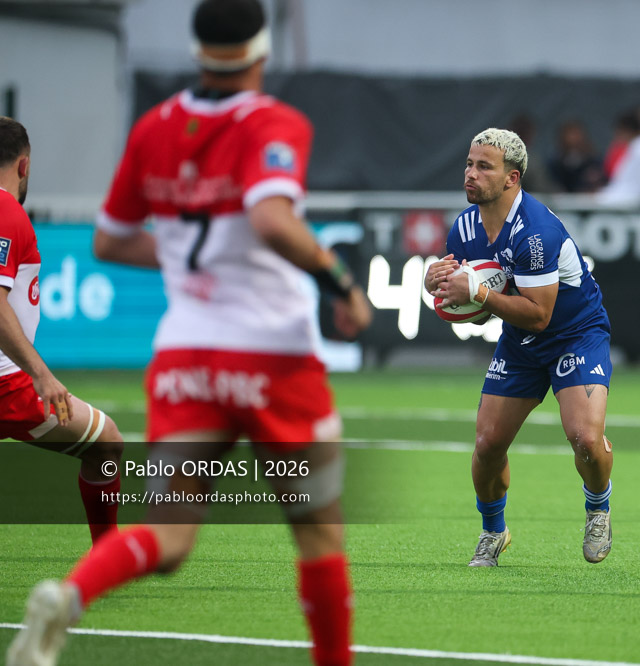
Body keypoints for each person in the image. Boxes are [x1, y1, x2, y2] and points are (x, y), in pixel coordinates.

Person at [7, 2, 372, 666]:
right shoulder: (274, 121)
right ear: (260, 51)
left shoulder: (155, 128)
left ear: (197, 49)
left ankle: (69, 595)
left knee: (169, 537)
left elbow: (110, 241)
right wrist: (339, 282)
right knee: (319, 533)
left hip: (186, 359)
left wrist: (179, 254)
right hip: (270, 356)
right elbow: (269, 219)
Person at [425, 128, 614, 567]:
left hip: (574, 333)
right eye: (469, 164)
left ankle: (598, 506)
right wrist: (435, 283)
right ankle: (494, 531)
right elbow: (469, 298)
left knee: (585, 438)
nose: (471, 174)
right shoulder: (465, 226)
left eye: (484, 167)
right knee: (488, 445)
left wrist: (480, 294)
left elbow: (539, 314)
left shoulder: (536, 233)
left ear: (512, 179)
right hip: (521, 341)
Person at [0, 116, 123, 547]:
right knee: (106, 445)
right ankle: (108, 557)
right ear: (24, 166)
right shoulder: (4, 210)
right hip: (6, 386)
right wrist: (41, 374)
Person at [597, 109, 640, 207]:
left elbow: (638, 191)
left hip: (634, 208)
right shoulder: (637, 147)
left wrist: (601, 198)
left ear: (625, 131)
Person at [547, 119, 605, 193]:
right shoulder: (554, 164)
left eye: (576, 134)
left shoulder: (594, 162)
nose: (573, 138)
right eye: (569, 134)